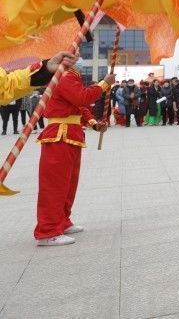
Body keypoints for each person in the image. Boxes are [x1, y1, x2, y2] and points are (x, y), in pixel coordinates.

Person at [34, 66, 113, 245]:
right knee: (55, 186)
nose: (77, 52)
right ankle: (47, 231)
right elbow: (81, 97)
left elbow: (78, 105)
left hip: (71, 134)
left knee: (69, 184)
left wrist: (94, 124)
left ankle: (62, 221)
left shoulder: (70, 74)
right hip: (59, 135)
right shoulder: (64, 74)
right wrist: (103, 84)